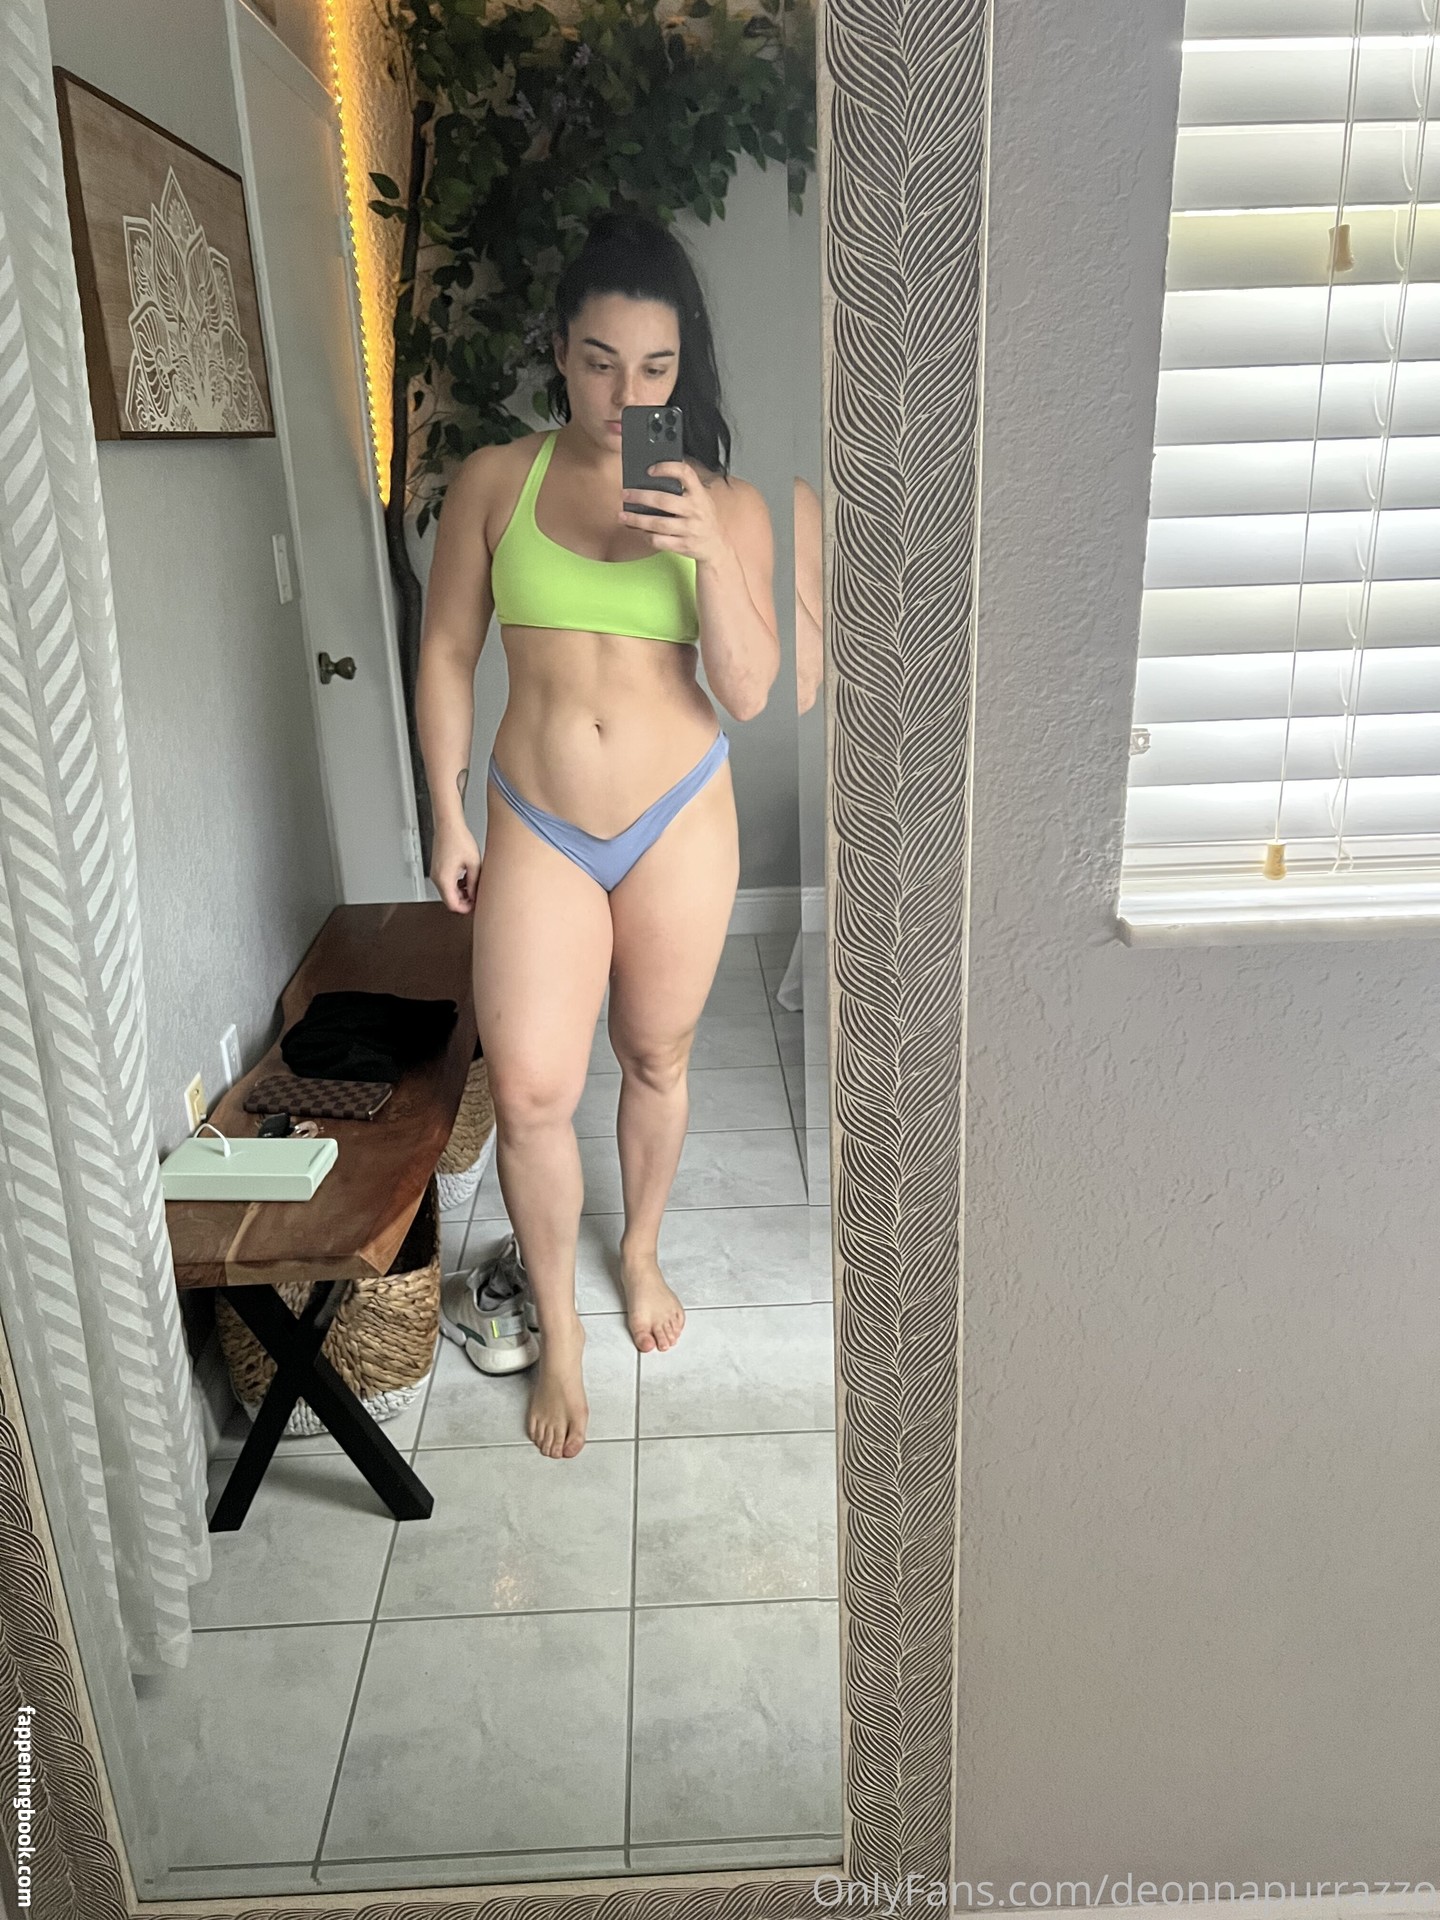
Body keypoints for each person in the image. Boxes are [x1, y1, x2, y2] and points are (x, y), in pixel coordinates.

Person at [417, 210, 780, 1461]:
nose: (629, 397)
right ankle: (559, 1332)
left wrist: (709, 551)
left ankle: (640, 1252)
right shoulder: (494, 482)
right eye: (601, 363)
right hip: (538, 821)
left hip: (679, 815)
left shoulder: (725, 504)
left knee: (655, 1056)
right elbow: (447, 652)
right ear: (560, 353)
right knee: (529, 1088)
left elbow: (748, 691)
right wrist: (445, 812)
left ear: (686, 368)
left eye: (658, 369)